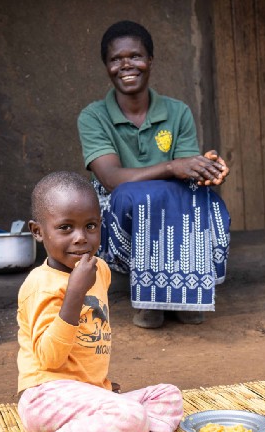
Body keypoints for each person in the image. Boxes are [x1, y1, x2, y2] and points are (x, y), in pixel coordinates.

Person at [77, 20, 231, 329]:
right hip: (121, 214)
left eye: (134, 56)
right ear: (106, 66)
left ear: (150, 61)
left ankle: (187, 293)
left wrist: (207, 169)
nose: (126, 65)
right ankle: (150, 299)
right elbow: (111, 179)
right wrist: (172, 167)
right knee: (138, 197)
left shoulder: (177, 112)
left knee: (207, 201)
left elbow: (188, 172)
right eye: (116, 59)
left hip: (171, 203)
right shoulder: (93, 116)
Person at [16, 171, 184, 432]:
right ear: (38, 231)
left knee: (167, 396)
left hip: (86, 395)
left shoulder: (100, 270)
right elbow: (50, 359)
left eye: (91, 226)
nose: (81, 238)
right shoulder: (41, 284)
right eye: (65, 228)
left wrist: (95, 390)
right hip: (44, 398)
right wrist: (74, 293)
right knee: (131, 416)